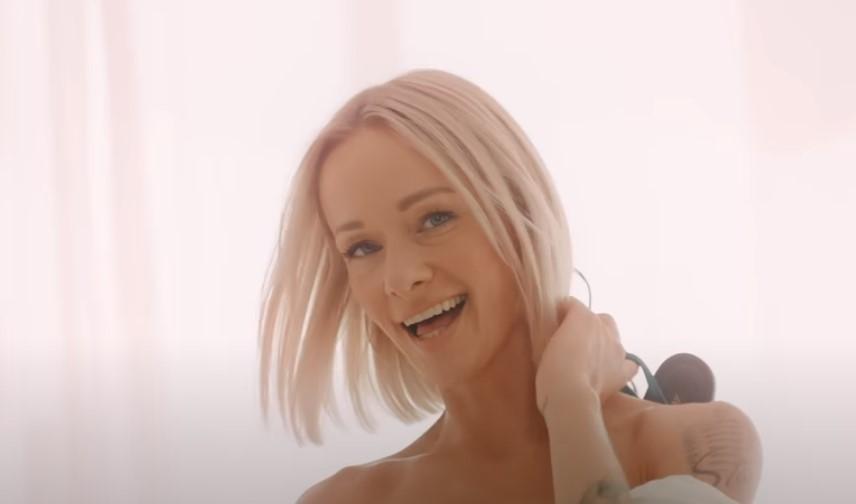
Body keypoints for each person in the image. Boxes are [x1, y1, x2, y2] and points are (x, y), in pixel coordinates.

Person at [258, 69, 762, 503]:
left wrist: (569, 401)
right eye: (363, 248)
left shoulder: (694, 444)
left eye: (434, 219)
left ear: (518, 211)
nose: (400, 278)